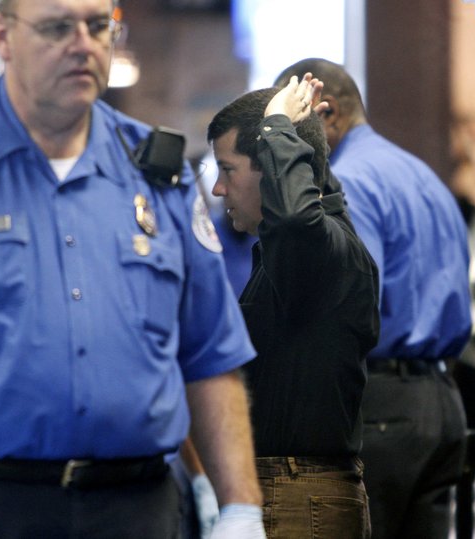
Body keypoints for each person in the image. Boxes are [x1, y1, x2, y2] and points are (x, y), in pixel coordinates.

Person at [0, 1, 265, 537]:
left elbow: (210, 353)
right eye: (56, 27)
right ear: (2, 35)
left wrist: (240, 508)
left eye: (98, 26)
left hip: (135, 508)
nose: (83, 44)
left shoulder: (157, 172)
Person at [275, 59, 472, 539]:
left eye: (291, 116)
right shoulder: (419, 173)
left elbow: (353, 303)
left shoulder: (351, 181)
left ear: (328, 112)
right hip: (441, 403)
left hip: (383, 406)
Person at [206, 75, 380, 538]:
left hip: (298, 495)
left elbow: (296, 218)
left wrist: (279, 127)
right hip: (292, 489)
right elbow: (315, 197)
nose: (219, 190)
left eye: (227, 170)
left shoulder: (317, 250)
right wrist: (302, 134)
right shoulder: (315, 252)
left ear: (270, 170)